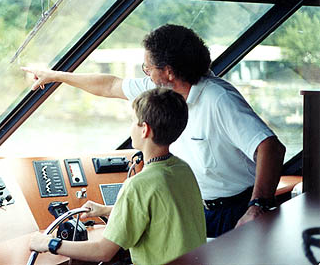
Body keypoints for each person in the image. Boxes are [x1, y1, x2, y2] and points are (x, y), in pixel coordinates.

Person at [22, 24, 286, 237]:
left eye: (148, 68)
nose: (145, 73)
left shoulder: (218, 99)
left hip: (236, 209)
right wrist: (55, 76)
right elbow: (110, 85)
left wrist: (256, 207)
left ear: (168, 72)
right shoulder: (161, 92)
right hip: (196, 207)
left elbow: (270, 147)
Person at [29, 88, 206, 264]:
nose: (131, 127)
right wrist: (106, 210)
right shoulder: (182, 169)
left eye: (133, 121)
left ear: (144, 129)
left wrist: (48, 243)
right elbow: (159, 214)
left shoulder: (138, 185)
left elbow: (103, 252)